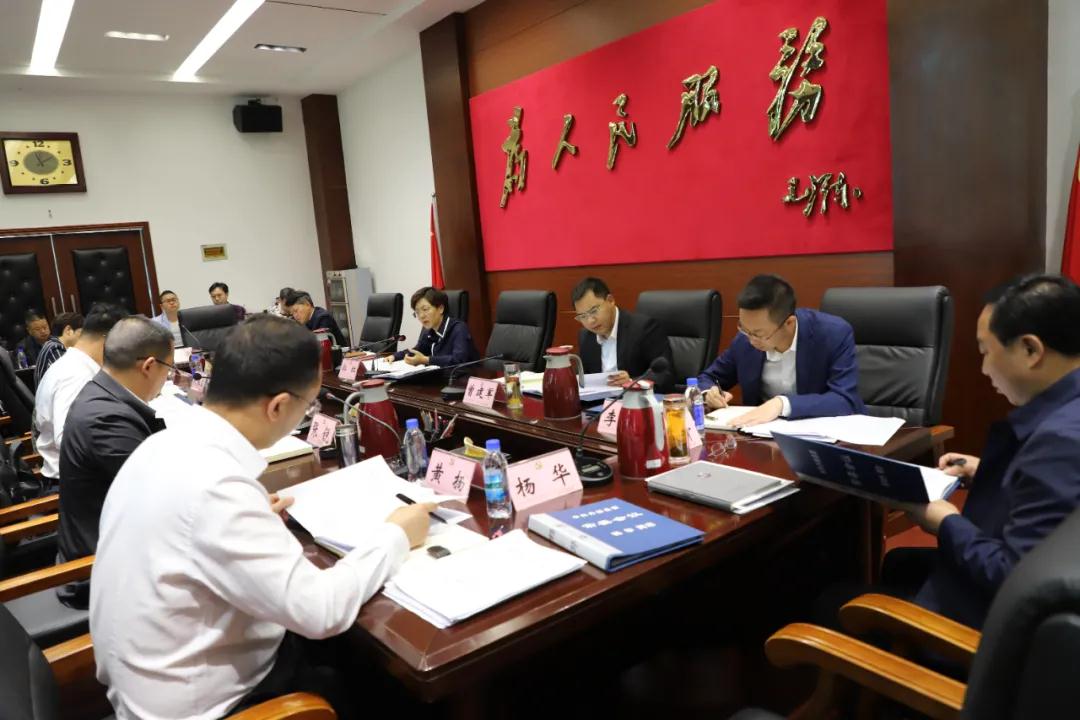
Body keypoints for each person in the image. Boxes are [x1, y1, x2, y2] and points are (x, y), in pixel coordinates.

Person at [90, 315, 435, 719]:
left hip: (152, 679)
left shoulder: (163, 446)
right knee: (388, 682)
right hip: (211, 705)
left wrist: (248, 516)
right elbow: (320, 611)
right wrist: (396, 534)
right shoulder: (217, 487)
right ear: (278, 406)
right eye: (308, 405)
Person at [896, 274, 1080, 629]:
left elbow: (1013, 576)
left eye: (986, 352)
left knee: (833, 600)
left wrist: (945, 521)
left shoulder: (1061, 444)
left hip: (994, 632)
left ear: (1030, 350)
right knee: (899, 564)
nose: (983, 369)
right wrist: (991, 471)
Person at [56, 316, 172, 609]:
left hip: (115, 546)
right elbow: (166, 500)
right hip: (99, 573)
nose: (167, 378)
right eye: (168, 369)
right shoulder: (105, 419)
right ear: (149, 366)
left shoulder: (103, 394)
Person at [697, 274, 864, 427]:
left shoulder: (833, 334)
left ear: (789, 323)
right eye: (744, 329)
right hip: (762, 436)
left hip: (823, 434)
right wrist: (708, 393)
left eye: (758, 334)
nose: (750, 340)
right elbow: (708, 378)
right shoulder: (745, 339)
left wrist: (782, 404)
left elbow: (845, 400)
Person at [33, 304, 127, 488]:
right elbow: (68, 439)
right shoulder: (76, 375)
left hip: (80, 475)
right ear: (110, 340)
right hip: (77, 484)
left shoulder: (74, 364)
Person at [571, 277, 674, 391]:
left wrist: (631, 382)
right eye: (583, 316)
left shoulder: (644, 328)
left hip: (636, 399)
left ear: (610, 300)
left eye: (594, 311)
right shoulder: (585, 337)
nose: (590, 321)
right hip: (600, 402)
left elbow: (664, 375)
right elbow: (582, 380)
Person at [393, 286, 480, 367]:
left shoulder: (459, 329)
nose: (421, 316)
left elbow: (458, 360)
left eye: (425, 309)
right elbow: (417, 350)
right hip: (440, 375)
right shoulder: (429, 331)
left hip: (463, 376)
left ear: (441, 308)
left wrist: (426, 360)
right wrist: (395, 356)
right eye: (417, 312)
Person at [34, 311, 84, 387]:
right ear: (68, 330)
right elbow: (71, 380)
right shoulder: (54, 349)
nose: (83, 337)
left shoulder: (51, 345)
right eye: (81, 332)